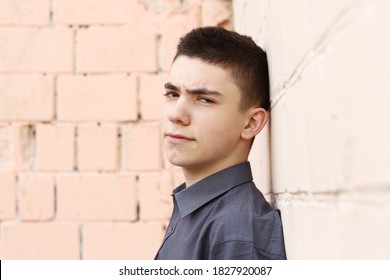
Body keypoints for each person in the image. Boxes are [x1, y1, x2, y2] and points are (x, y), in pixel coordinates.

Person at [154, 27, 287, 260]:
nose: (176, 114)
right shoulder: (197, 207)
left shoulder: (235, 233)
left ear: (251, 123)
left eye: (204, 99)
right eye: (173, 94)